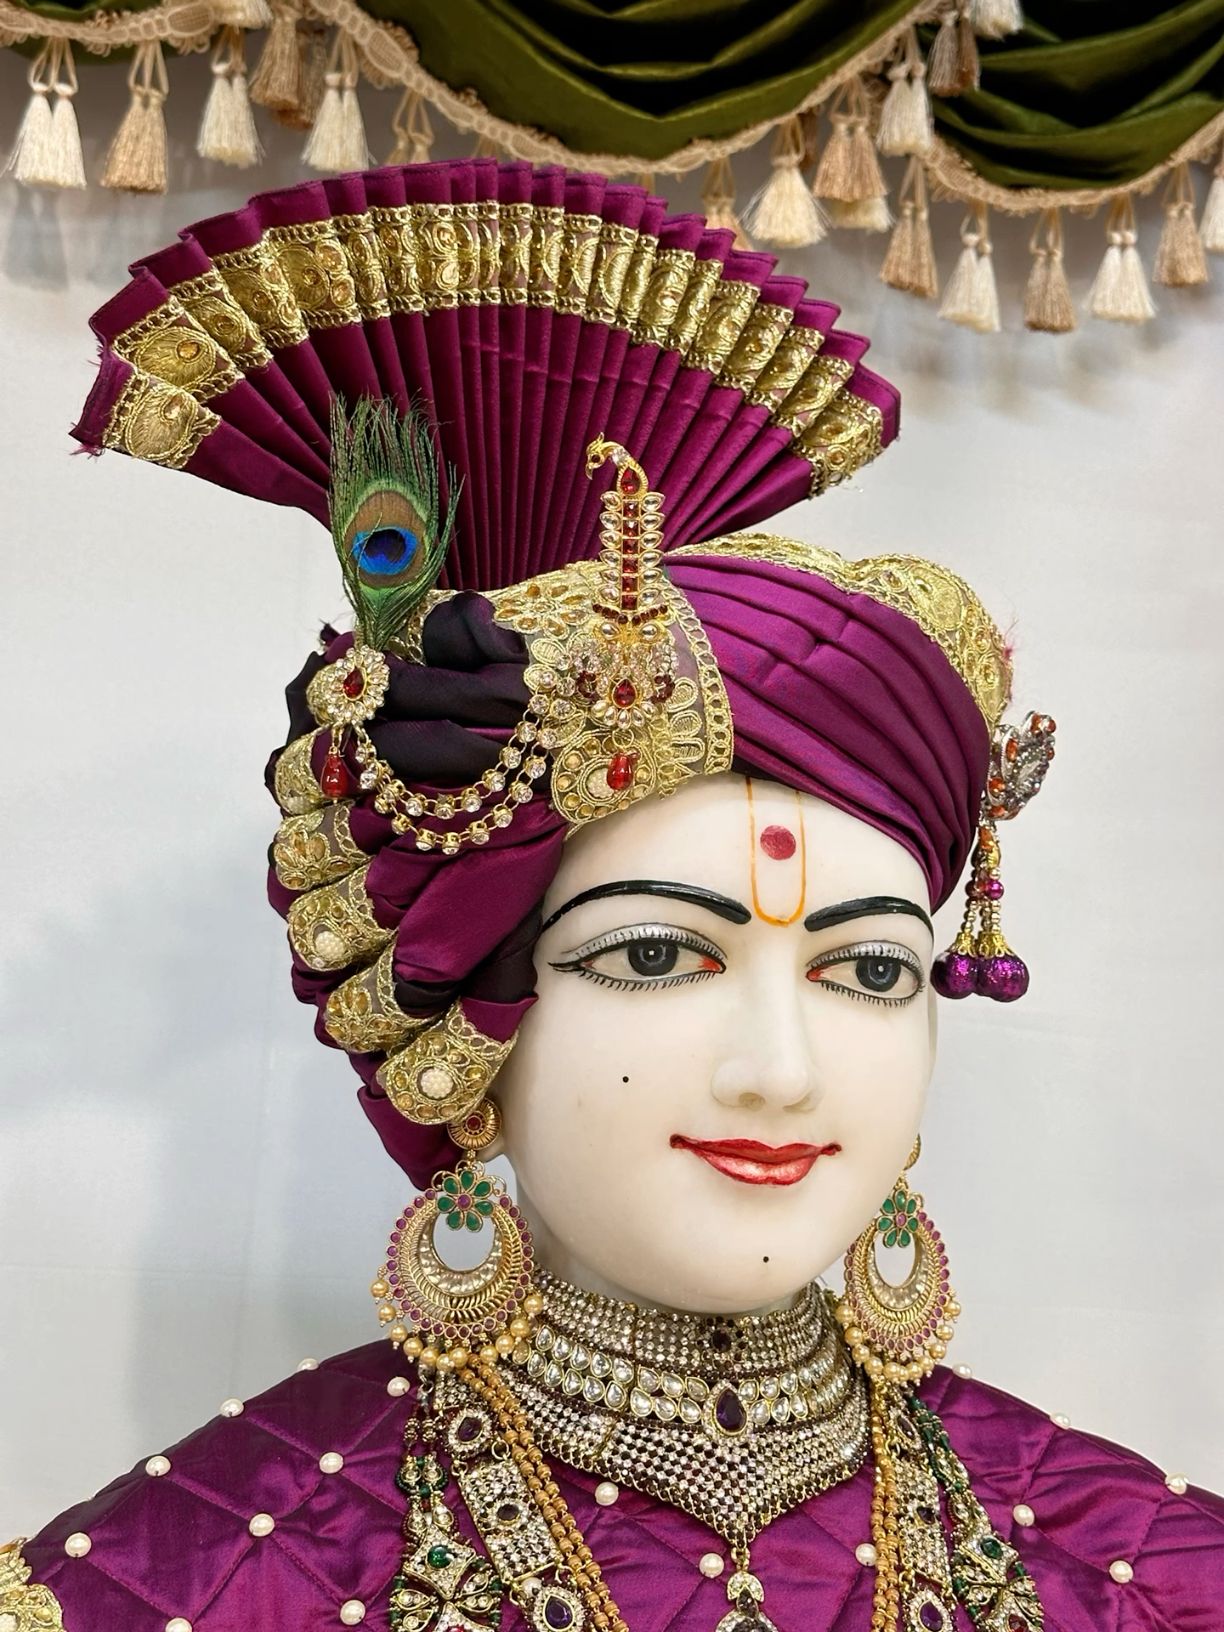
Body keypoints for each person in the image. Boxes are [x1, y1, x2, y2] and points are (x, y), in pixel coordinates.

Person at [4, 159, 1221, 1632]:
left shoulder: (1144, 1568)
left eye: (874, 974)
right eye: (654, 955)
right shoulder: (194, 1577)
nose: (779, 1069)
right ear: (459, 1028)